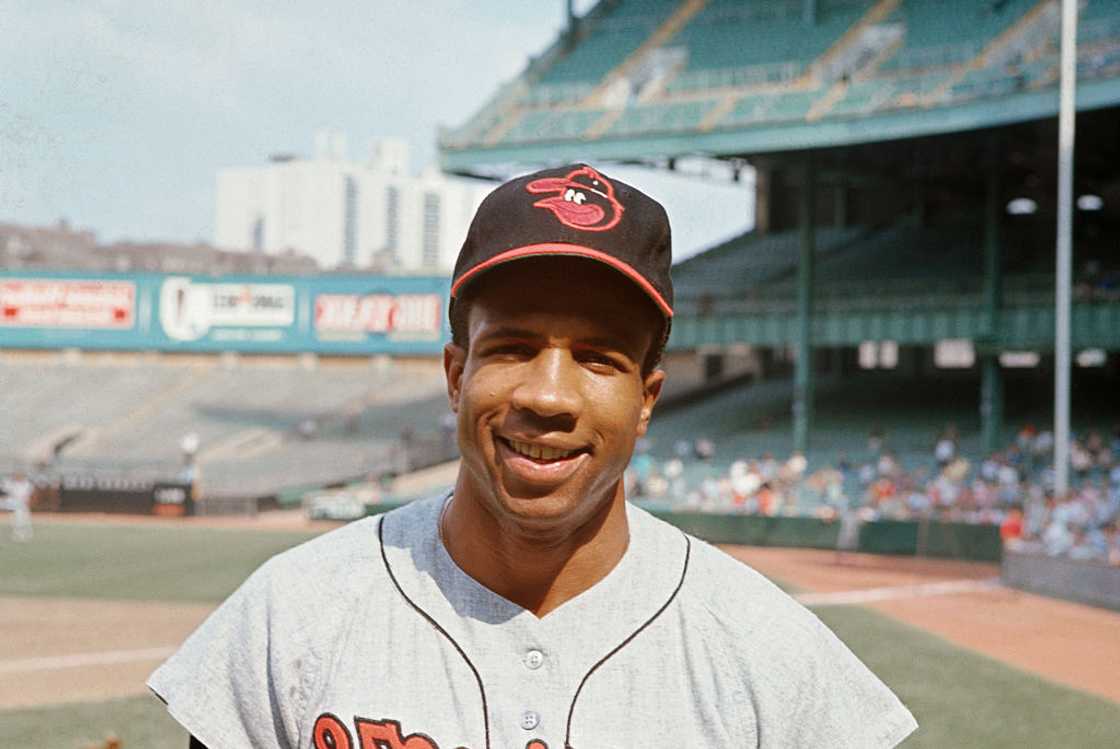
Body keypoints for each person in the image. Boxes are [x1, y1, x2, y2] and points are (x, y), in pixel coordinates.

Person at [149, 164, 916, 748]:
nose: (548, 395)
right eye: (514, 347)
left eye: (598, 356)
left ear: (648, 397)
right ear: (457, 375)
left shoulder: (767, 652)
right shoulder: (294, 615)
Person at [1, 471, 34, 542]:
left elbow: (26, 496)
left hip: (20, 503)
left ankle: (22, 533)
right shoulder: (11, 483)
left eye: (20, 476)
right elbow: (5, 492)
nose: (18, 477)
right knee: (15, 516)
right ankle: (18, 532)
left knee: (20, 516)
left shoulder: (26, 484)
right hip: (11, 502)